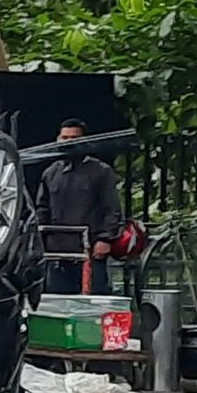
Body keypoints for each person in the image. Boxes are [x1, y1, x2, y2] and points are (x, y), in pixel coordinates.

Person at [35, 118, 123, 295]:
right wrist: (40, 240)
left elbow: (112, 208)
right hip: (57, 252)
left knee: (93, 299)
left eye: (74, 138)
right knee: (56, 300)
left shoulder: (101, 171)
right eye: (64, 138)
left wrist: (105, 239)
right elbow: (42, 208)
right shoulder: (51, 172)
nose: (69, 142)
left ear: (84, 141)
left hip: (89, 249)